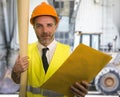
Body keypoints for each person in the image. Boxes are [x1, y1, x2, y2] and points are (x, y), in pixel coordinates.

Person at [11, 2, 89, 97]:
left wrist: (80, 91)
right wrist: (15, 71)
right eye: (39, 26)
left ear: (56, 26)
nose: (45, 31)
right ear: (34, 27)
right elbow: (17, 80)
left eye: (49, 25)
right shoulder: (25, 51)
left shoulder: (68, 53)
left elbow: (76, 86)